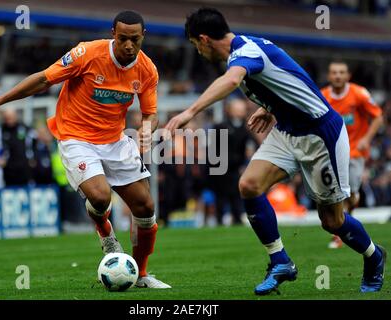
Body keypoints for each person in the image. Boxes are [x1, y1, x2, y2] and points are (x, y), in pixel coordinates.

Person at [165, 7, 386, 295]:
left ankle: (374, 256)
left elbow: (231, 81)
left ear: (204, 39)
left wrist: (188, 112)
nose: (198, 52)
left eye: (195, 45)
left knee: (332, 221)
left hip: (320, 136)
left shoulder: (245, 53)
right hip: (287, 131)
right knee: (249, 185)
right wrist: (271, 107)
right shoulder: (245, 50)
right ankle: (280, 260)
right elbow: (289, 78)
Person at [0, 10, 170, 289]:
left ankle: (142, 275)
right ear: (113, 35)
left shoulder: (147, 69)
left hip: (115, 140)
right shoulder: (87, 54)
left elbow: (150, 113)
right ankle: (106, 235)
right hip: (76, 137)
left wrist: (147, 127)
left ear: (143, 37)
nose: (129, 45)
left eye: (134, 39)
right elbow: (44, 79)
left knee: (145, 207)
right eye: (123, 39)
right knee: (100, 196)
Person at [321, 61, 384, 249]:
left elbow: (378, 117)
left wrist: (367, 138)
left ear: (348, 76)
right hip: (330, 151)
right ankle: (341, 229)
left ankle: (343, 225)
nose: (338, 76)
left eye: (341, 72)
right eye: (334, 72)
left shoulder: (359, 94)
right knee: (334, 192)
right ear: (329, 76)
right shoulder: (322, 96)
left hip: (355, 150)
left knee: (351, 193)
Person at [210, 98, 255, 225]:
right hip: (221, 167)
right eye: (238, 109)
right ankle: (219, 219)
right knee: (220, 195)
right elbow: (213, 149)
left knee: (236, 194)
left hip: (236, 168)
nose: (240, 112)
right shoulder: (220, 126)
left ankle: (237, 217)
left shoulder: (245, 128)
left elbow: (249, 146)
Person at [1, 108, 34, 186]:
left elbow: (34, 141)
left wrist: (33, 158)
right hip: (9, 169)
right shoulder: (2, 129)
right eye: (6, 118)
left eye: (10, 117)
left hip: (24, 168)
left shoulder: (24, 128)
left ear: (15, 116)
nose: (8, 120)